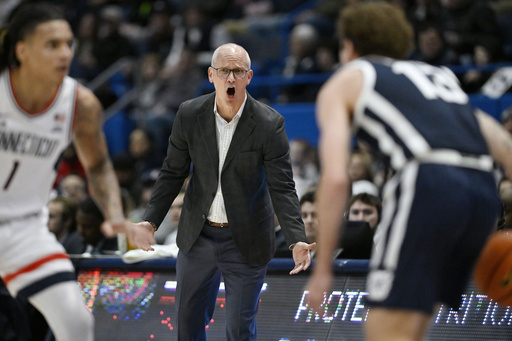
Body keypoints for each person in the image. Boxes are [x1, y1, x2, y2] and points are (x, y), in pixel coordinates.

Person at [306, 2, 512, 341]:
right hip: (481, 190)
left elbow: (337, 177)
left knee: (386, 332)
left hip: (427, 183)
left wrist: (323, 268)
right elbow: (500, 142)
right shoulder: (436, 75)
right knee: (411, 331)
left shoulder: (348, 78)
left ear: (350, 46)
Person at [137, 43, 315, 340]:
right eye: (224, 71)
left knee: (238, 329)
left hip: (245, 239)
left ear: (249, 77)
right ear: (211, 75)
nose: (230, 78)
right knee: (186, 323)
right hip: (198, 235)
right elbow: (172, 172)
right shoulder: (190, 114)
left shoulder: (270, 124)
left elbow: (282, 186)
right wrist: (150, 220)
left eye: (238, 72)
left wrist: (296, 237)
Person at [0, 3, 155, 341]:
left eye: (69, 43)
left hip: (25, 230)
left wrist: (115, 213)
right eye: (52, 44)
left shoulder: (79, 103)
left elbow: (98, 166)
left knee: (76, 323)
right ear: (22, 50)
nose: (65, 53)